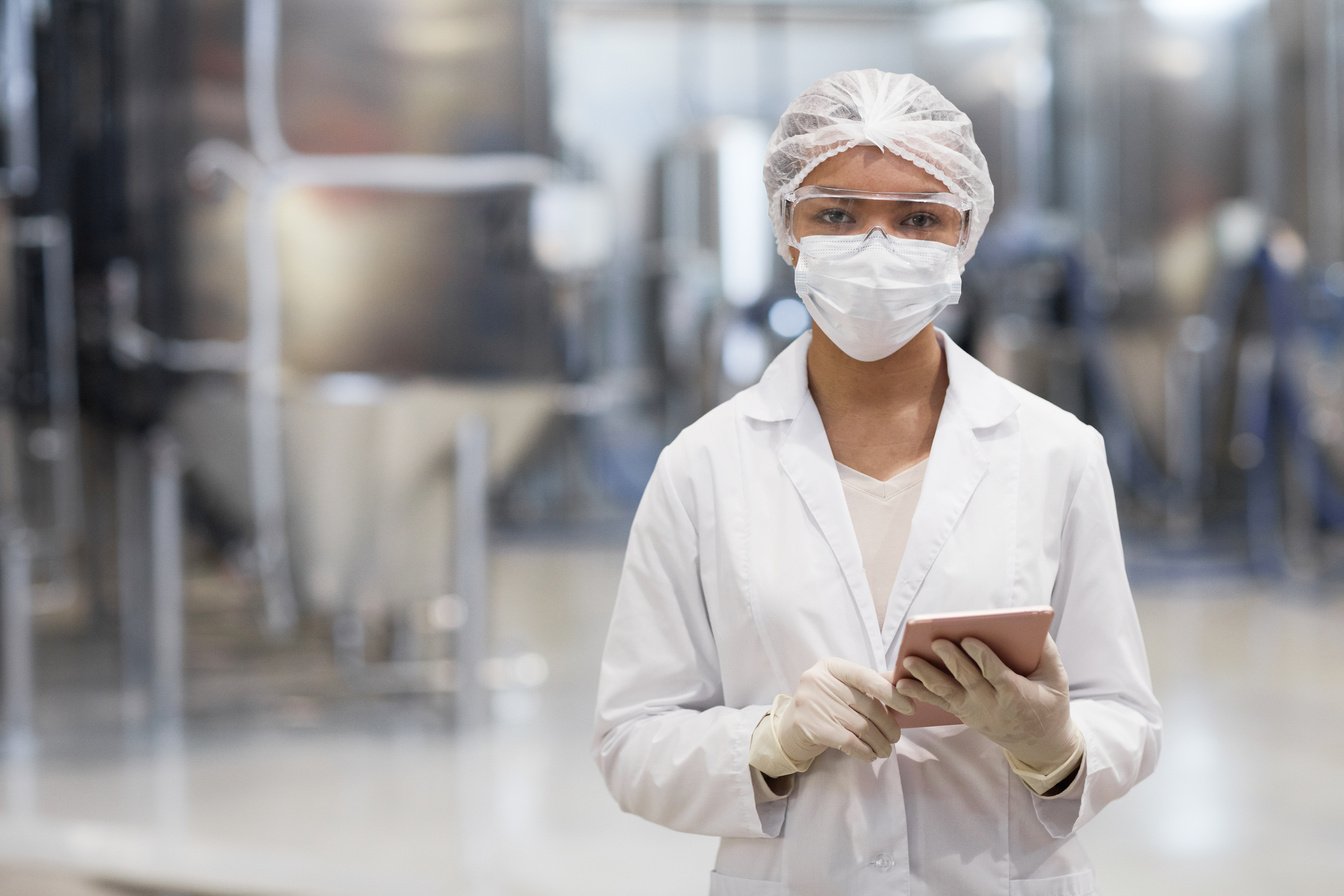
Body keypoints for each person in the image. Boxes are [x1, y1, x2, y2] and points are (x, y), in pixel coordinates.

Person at [593, 69, 1161, 895]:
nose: (876, 247)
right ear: (789, 229)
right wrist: (770, 739)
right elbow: (631, 741)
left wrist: (1052, 743)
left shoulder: (1054, 452)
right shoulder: (704, 465)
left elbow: (1128, 716)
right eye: (838, 214)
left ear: (964, 235)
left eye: (919, 218)